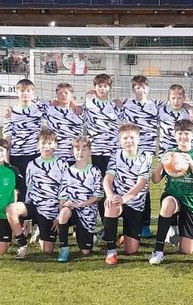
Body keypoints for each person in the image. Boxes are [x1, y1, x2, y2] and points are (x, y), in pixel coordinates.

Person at [148, 119, 193, 265]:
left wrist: (191, 164)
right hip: (173, 196)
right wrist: (162, 162)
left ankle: (175, 234)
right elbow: (155, 180)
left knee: (186, 250)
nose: (183, 137)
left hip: (191, 201)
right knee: (167, 204)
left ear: (192, 135)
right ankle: (158, 250)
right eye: (180, 133)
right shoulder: (171, 154)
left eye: (186, 133)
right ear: (175, 135)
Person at [101, 124, 153, 265]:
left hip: (134, 203)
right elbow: (108, 178)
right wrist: (110, 195)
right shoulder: (116, 155)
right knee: (110, 205)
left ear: (139, 139)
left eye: (132, 137)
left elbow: (141, 183)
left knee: (131, 250)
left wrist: (124, 198)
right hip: (118, 200)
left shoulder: (146, 156)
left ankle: (125, 236)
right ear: (120, 141)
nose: (128, 141)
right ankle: (111, 251)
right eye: (125, 138)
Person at [119, 74, 162, 238]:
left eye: (143, 87)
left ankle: (144, 224)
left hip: (147, 152)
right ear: (133, 89)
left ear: (148, 88)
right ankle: (126, 221)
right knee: (126, 185)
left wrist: (188, 106)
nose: (140, 90)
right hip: (129, 152)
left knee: (143, 187)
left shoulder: (155, 105)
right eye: (137, 87)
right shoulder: (126, 105)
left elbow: (173, 107)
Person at [14, 129, 68, 258]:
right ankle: (23, 246)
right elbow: (29, 188)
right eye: (43, 143)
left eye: (50, 143)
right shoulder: (31, 165)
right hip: (34, 206)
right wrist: (27, 219)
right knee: (11, 209)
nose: (46, 146)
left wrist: (58, 216)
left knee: (47, 250)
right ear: (37, 145)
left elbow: (65, 191)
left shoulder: (62, 164)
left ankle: (40, 232)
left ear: (55, 145)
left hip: (51, 210)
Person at [56, 137, 103, 262]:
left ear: (89, 152)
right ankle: (64, 248)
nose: (80, 152)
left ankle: (89, 236)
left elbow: (98, 196)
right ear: (72, 151)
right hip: (71, 208)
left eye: (84, 149)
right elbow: (63, 195)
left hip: (87, 212)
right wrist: (60, 215)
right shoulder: (67, 171)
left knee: (85, 251)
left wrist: (80, 204)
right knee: (64, 213)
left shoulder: (95, 171)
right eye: (77, 149)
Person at [2, 79, 47, 202]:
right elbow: (7, 139)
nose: (25, 93)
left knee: (37, 188)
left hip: (35, 155)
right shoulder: (11, 113)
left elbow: (58, 105)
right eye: (22, 91)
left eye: (28, 91)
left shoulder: (39, 107)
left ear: (33, 93)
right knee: (20, 189)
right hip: (17, 156)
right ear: (17, 92)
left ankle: (36, 218)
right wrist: (7, 162)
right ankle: (20, 218)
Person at [84, 73, 122, 175]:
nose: (102, 89)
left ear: (109, 88)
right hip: (97, 147)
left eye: (105, 86)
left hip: (112, 147)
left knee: (112, 177)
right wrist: (88, 94)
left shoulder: (114, 104)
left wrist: (120, 104)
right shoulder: (89, 103)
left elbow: (122, 117)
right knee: (99, 176)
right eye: (99, 86)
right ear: (94, 87)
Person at [43, 82, 85, 162]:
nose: (63, 95)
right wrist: (52, 102)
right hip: (55, 156)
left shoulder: (79, 111)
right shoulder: (49, 111)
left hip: (75, 156)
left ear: (71, 95)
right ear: (56, 96)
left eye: (66, 93)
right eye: (60, 93)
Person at [158, 83, 193, 152]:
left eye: (179, 98)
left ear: (184, 98)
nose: (176, 101)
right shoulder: (161, 111)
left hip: (187, 151)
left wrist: (191, 109)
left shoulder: (191, 113)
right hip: (166, 150)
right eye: (173, 98)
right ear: (168, 98)